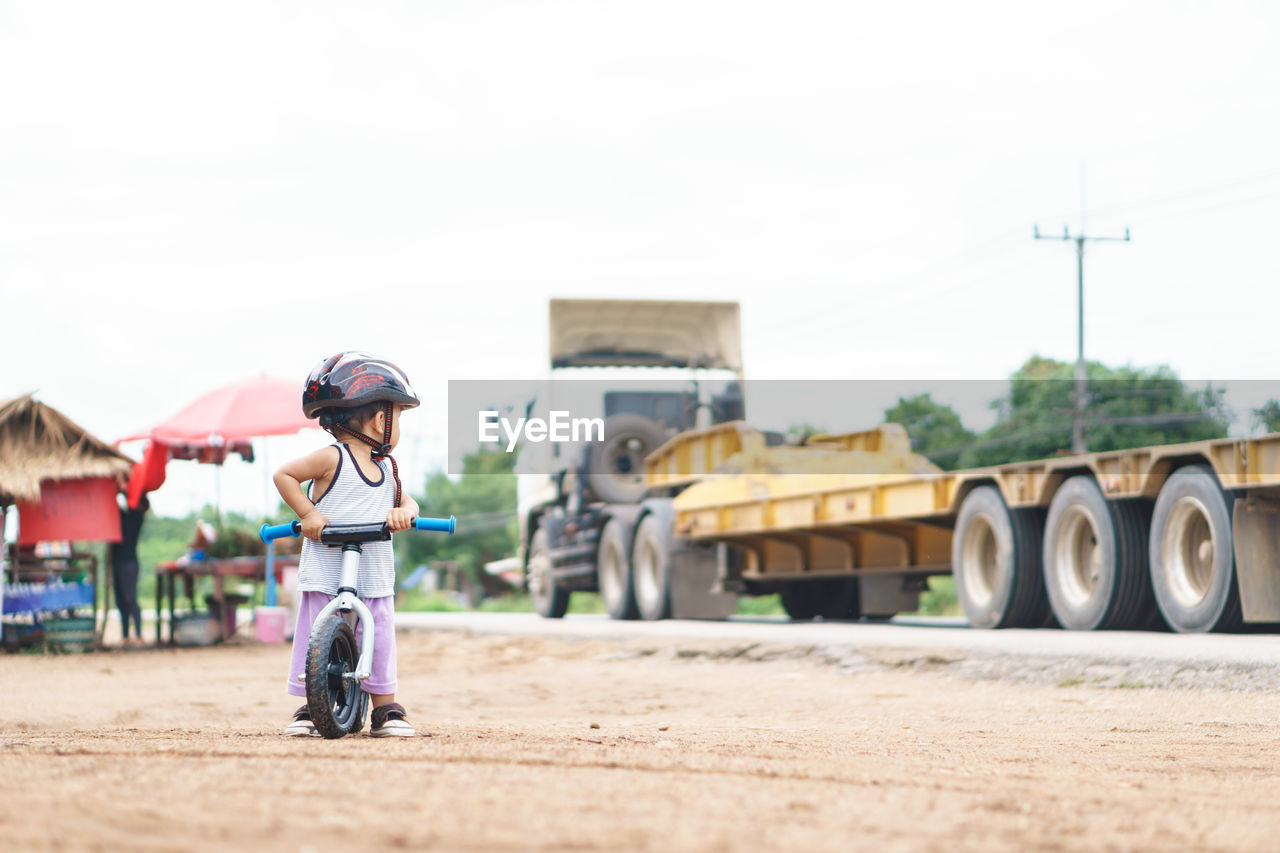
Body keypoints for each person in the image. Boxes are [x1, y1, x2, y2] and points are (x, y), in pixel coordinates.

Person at [272, 352, 421, 738]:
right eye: (398, 417)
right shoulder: (331, 458)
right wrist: (308, 513)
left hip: (370, 568)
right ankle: (312, 701)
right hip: (326, 565)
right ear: (379, 419)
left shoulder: (387, 468)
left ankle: (385, 708)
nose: (398, 426)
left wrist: (405, 512)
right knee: (315, 629)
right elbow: (284, 475)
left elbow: (406, 501)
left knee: (380, 630)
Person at [109, 489, 148, 648]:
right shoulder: (122, 517)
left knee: (130, 599)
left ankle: (138, 634)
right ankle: (125, 636)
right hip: (119, 562)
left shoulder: (136, 518)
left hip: (129, 563)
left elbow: (126, 502)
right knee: (121, 601)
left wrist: (124, 491)